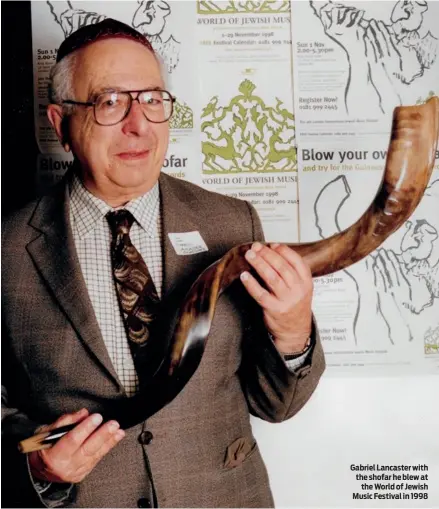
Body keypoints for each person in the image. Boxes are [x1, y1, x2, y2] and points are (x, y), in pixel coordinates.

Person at [2, 19, 325, 508]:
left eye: (152, 99)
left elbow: (277, 405)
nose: (139, 124)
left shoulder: (232, 223)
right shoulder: (8, 250)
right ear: (60, 123)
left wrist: (293, 332)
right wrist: (34, 462)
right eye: (109, 102)